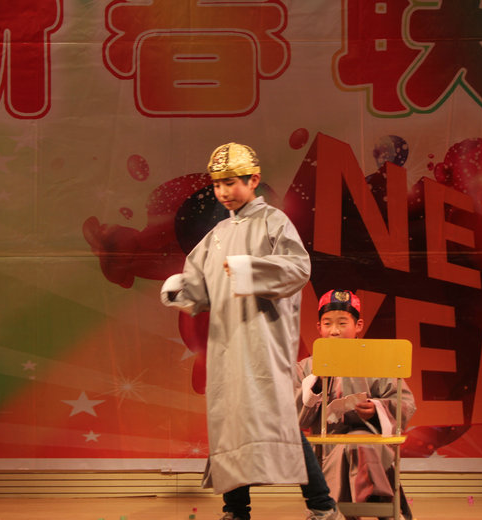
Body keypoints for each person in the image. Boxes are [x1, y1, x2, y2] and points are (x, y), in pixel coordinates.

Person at [161, 143, 345, 520]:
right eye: (217, 185)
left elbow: (297, 269)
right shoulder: (217, 234)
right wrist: (182, 290)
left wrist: (249, 270)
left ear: (253, 180)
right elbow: (200, 286)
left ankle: (323, 507)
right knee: (230, 424)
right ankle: (236, 510)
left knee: (279, 422)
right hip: (226, 342)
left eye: (231, 182)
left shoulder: (273, 222)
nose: (223, 191)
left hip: (263, 341)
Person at [295, 290, 417, 520]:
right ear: (319, 327)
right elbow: (294, 416)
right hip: (325, 446)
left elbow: (405, 402)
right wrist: (316, 385)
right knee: (345, 449)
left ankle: (345, 510)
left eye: (342, 323)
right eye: (327, 324)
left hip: (371, 440)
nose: (335, 331)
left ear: (358, 325)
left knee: (359, 443)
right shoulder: (306, 367)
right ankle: (381, 508)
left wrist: (376, 409)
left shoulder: (378, 361)